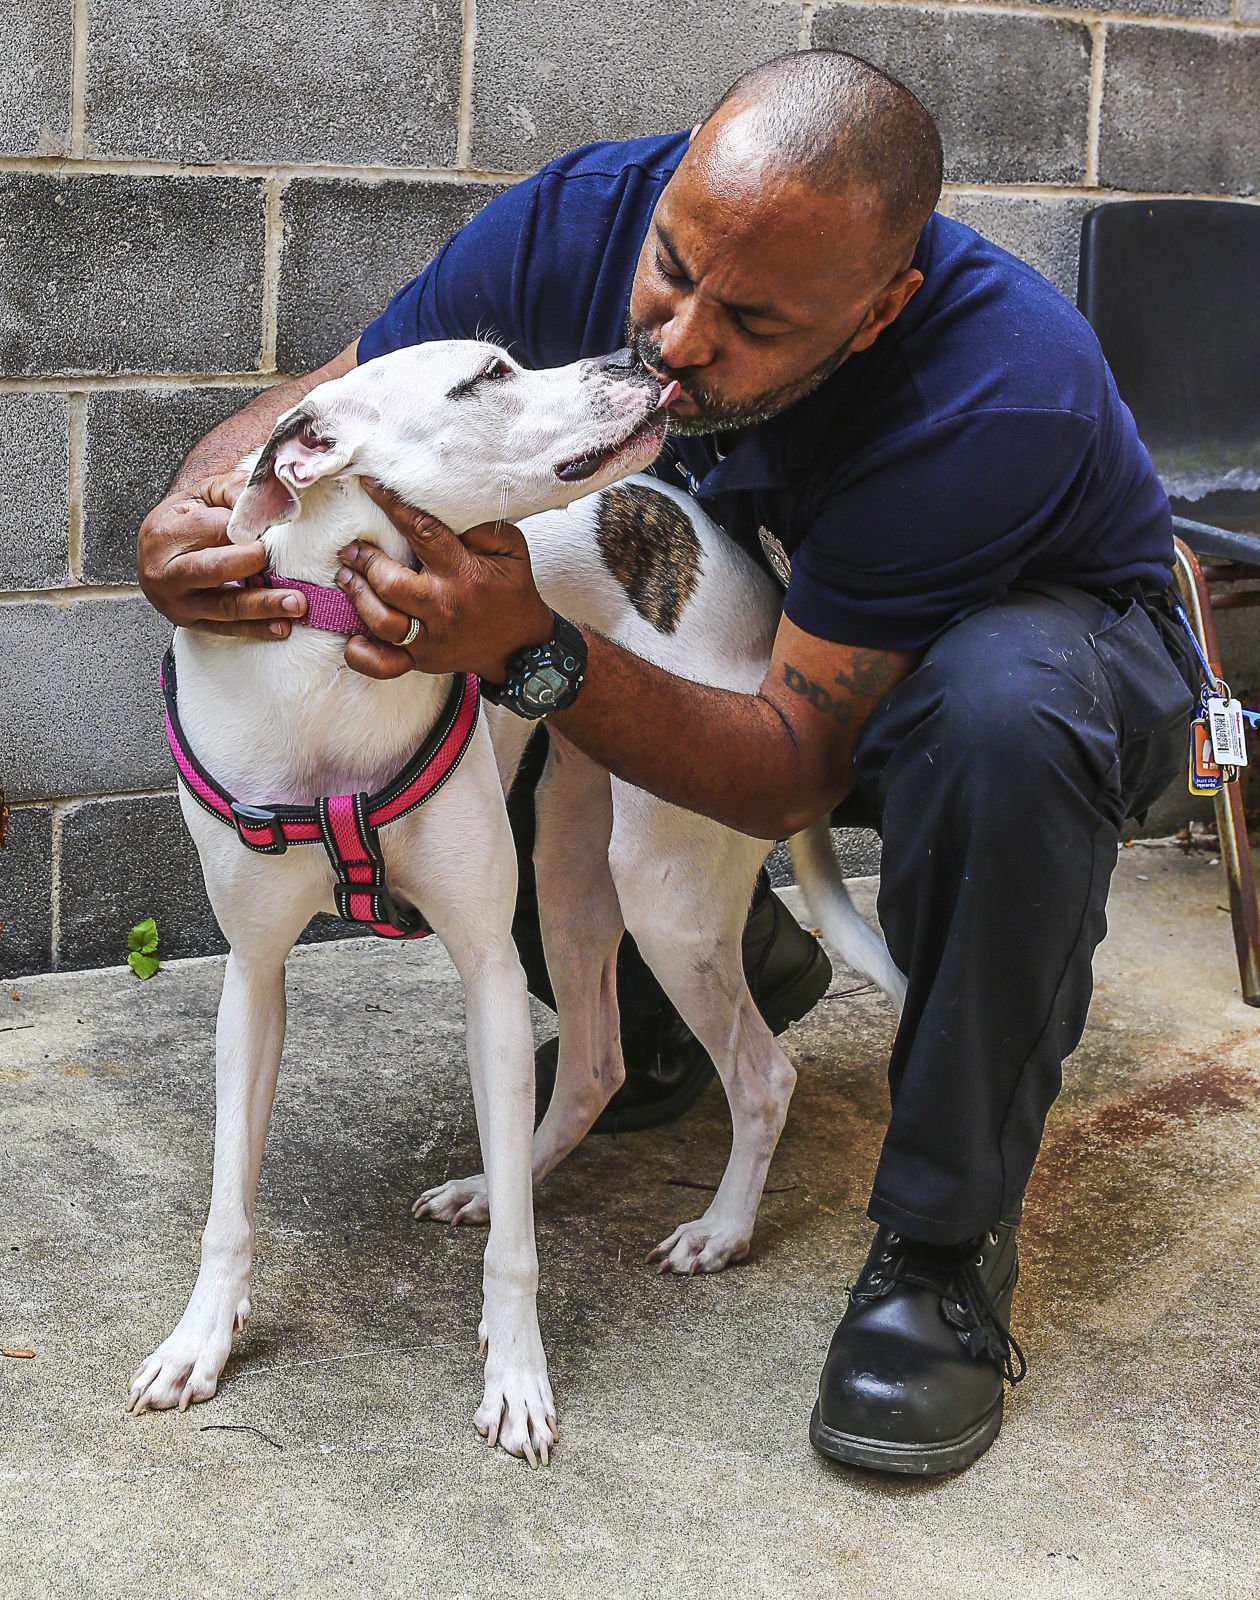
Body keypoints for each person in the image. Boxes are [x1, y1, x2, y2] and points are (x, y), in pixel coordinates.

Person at [137, 50, 1197, 1474]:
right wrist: (194, 515)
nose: (677, 341)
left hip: (1008, 661)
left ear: (882, 309)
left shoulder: (1003, 390)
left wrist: (529, 650)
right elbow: (316, 416)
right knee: (489, 728)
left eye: (749, 321)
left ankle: (942, 1254)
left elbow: (788, 773)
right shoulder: (584, 214)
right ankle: (735, 965)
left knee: (1003, 718)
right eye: (671, 270)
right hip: (762, 625)